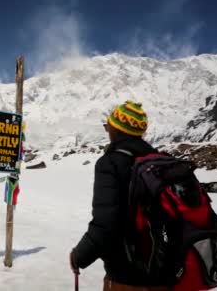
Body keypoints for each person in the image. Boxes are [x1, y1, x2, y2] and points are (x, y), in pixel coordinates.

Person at [70, 101, 172, 291]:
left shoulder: (110, 163)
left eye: (108, 126)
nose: (107, 131)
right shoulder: (160, 162)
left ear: (116, 130)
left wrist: (79, 257)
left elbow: (106, 224)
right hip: (168, 273)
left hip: (128, 276)